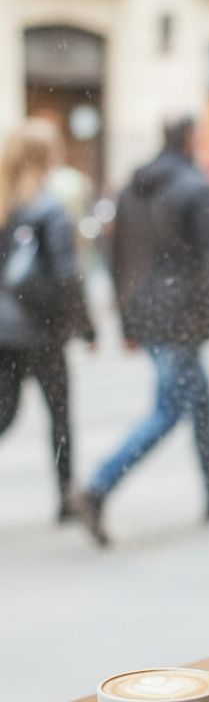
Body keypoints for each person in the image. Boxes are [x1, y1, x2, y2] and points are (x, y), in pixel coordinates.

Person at [74, 115, 209, 546]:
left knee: (201, 400)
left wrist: (126, 320)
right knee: (170, 408)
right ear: (191, 139)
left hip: (148, 311)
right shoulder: (195, 188)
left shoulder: (132, 188)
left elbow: (114, 256)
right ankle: (97, 487)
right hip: (181, 316)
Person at [0, 118, 96, 521]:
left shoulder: (5, 204)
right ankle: (66, 499)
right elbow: (66, 277)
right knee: (59, 413)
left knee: (5, 411)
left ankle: (66, 497)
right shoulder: (49, 208)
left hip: (4, 329)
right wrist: (87, 326)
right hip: (40, 330)